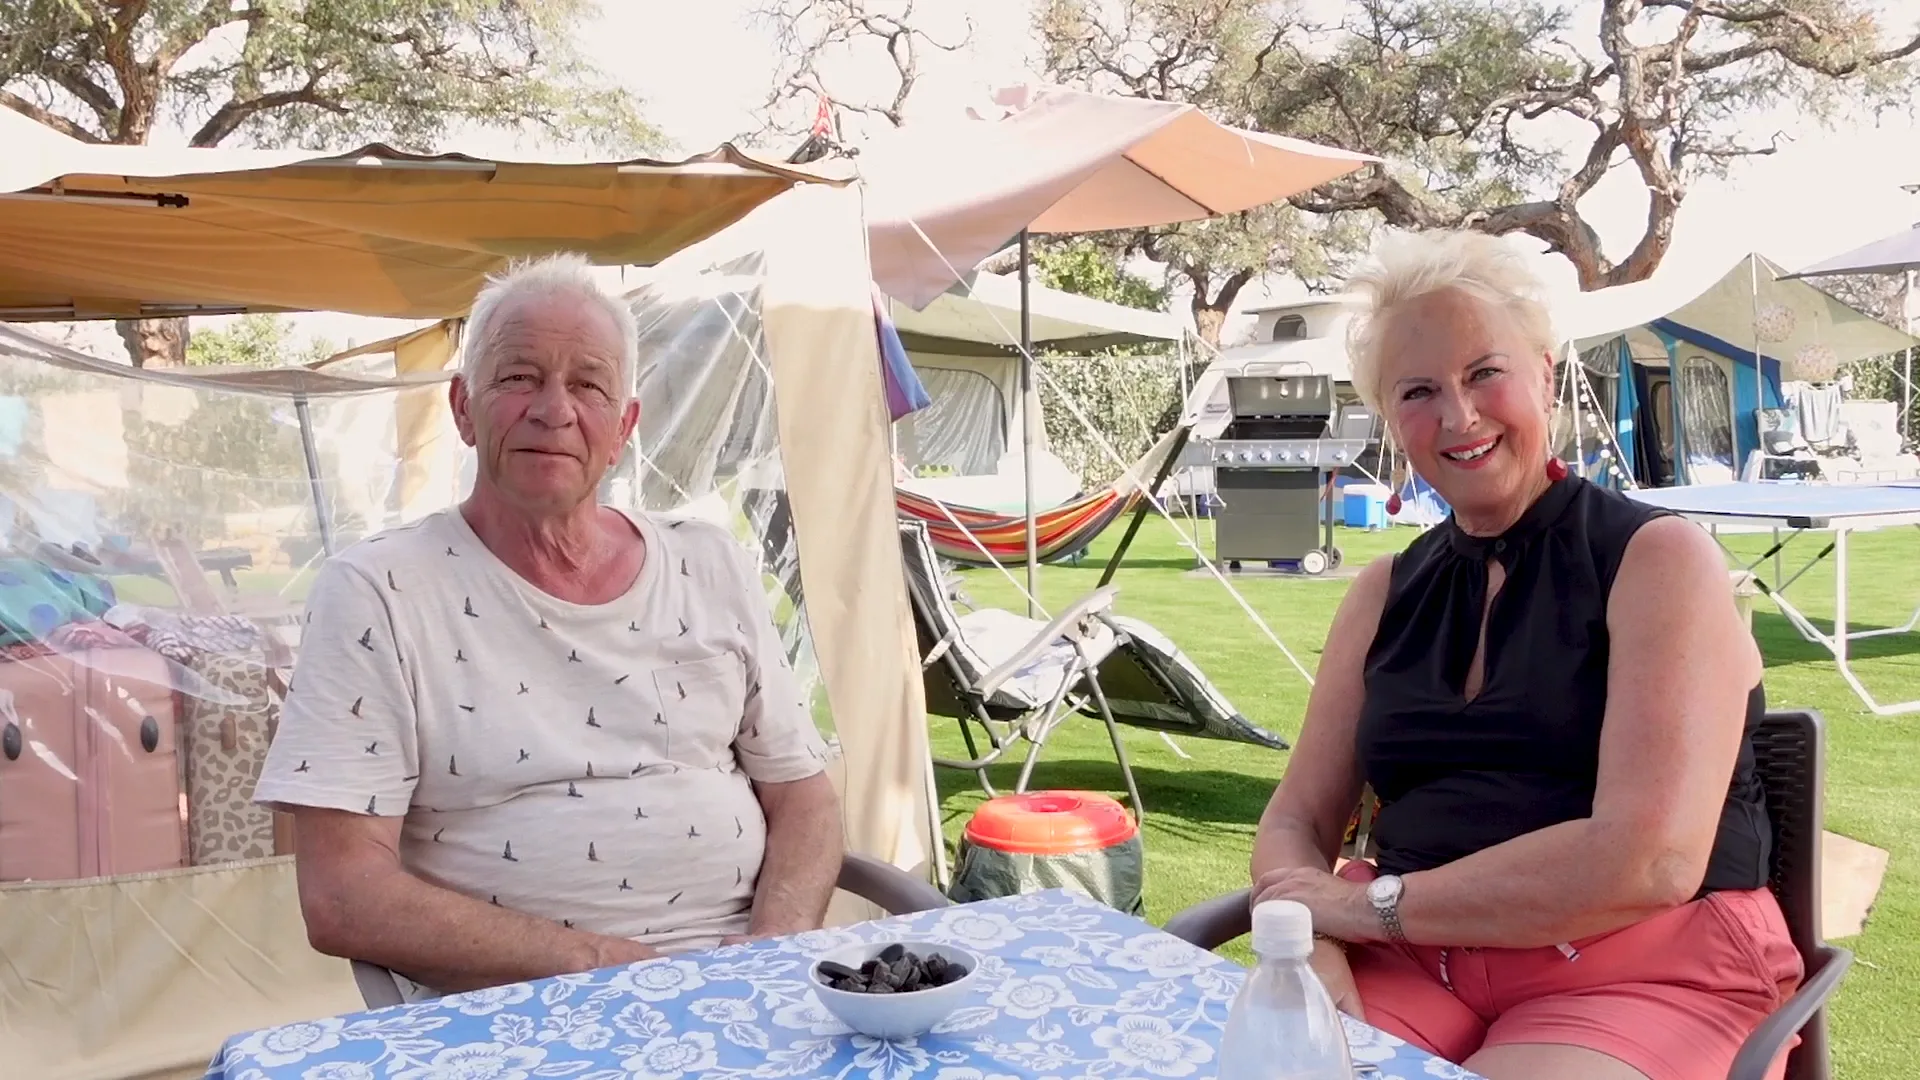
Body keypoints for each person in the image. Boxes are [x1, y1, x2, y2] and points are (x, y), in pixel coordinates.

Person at [1247, 230, 1801, 1080]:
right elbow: (1297, 820)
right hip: (1419, 959)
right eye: (1419, 391)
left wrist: (1366, 907)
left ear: (1545, 373)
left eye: (1483, 373)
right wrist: (1310, 938)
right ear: (1392, 420)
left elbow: (1649, 861)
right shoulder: (1383, 590)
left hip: (1641, 964)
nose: (1459, 416)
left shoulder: (1659, 560)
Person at [254, 254, 843, 998]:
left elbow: (804, 798)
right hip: (526, 1006)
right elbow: (342, 893)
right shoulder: (381, 592)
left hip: (743, 982)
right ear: (463, 408)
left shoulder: (709, 563)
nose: (554, 410)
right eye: (519, 377)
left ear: (624, 426)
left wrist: (775, 943)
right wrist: (599, 962)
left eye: (589, 385)